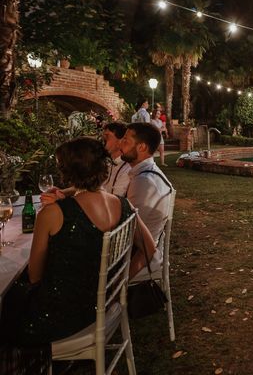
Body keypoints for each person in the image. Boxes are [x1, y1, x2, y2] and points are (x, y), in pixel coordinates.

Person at [0, 137, 155, 372]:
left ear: (67, 172)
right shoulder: (123, 205)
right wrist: (118, 285)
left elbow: (34, 276)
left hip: (61, 317)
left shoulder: (52, 214)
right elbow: (150, 249)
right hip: (100, 305)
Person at [120, 122, 174, 276]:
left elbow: (128, 231)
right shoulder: (146, 174)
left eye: (125, 140)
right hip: (141, 249)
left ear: (142, 147)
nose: (120, 144)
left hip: (139, 258)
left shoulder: (144, 181)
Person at [40, 121, 131, 204]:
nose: (102, 138)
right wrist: (61, 192)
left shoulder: (126, 169)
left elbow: (114, 202)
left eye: (107, 136)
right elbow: (87, 186)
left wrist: (63, 203)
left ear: (121, 141)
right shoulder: (103, 162)